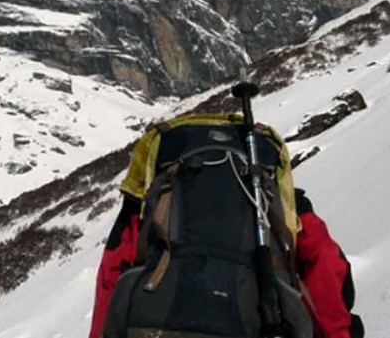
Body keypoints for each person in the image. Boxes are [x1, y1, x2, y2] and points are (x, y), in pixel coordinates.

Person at [88, 113, 364, 338]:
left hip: (156, 322)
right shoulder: (282, 204)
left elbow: (113, 270)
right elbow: (325, 267)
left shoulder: (153, 197)